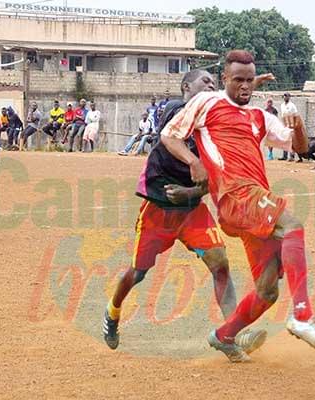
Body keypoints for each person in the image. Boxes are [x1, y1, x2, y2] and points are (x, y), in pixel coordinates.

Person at [160, 49, 315, 362]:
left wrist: (296, 125)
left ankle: (223, 336)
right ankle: (303, 315)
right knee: (292, 225)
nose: (244, 86)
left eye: (249, 80)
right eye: (237, 79)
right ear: (224, 79)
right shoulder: (207, 103)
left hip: (252, 204)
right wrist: (194, 161)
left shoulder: (259, 117)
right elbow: (169, 136)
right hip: (235, 196)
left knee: (267, 291)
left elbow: (302, 148)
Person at [103, 69, 266, 354]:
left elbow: (216, 179)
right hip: (158, 211)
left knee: (220, 264)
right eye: (206, 82)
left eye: (215, 84)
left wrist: (191, 192)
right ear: (185, 86)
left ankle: (229, 334)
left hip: (192, 211)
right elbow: (175, 135)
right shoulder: (174, 110)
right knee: (138, 273)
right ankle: (112, 313)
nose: (211, 87)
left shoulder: (214, 131)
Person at [280, 93, 299, 161]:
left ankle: (292, 156)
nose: (285, 97)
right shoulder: (282, 105)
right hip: (285, 124)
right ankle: (284, 156)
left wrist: (294, 124)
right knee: (285, 139)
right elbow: (283, 116)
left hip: (291, 124)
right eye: (284, 96)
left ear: (289, 97)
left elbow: (296, 115)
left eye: (287, 96)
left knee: (291, 140)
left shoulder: (292, 105)